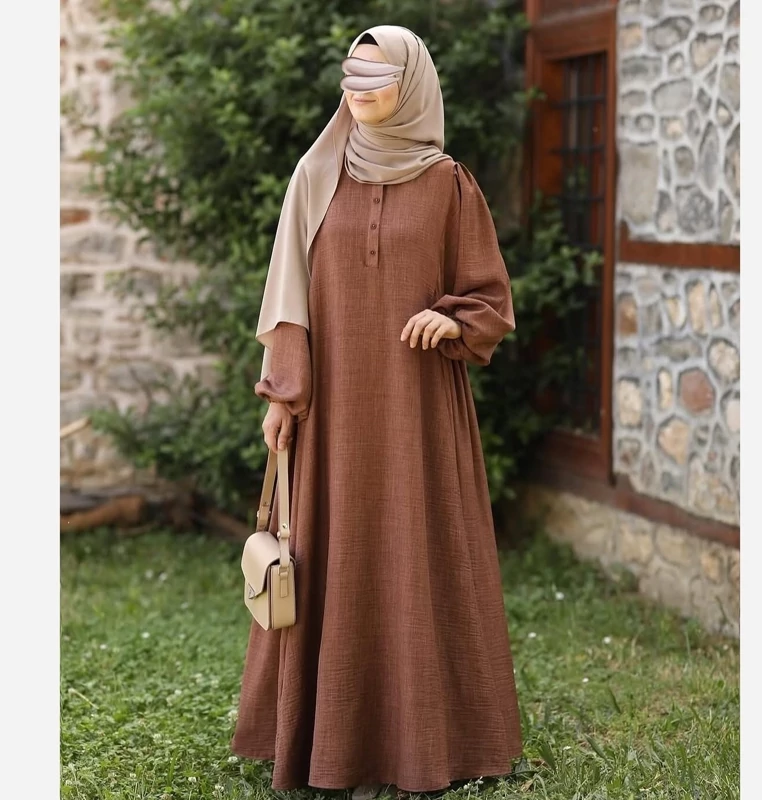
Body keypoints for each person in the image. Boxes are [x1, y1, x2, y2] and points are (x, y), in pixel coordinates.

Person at [230, 24, 522, 798]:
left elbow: (489, 296)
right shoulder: (315, 175)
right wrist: (282, 393)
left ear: (412, 85)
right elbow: (288, 298)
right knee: (329, 558)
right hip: (331, 414)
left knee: (414, 553)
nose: (356, 94)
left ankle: (426, 743)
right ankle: (328, 746)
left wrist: (452, 320)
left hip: (417, 414)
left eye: (375, 80)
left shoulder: (449, 184)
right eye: (349, 79)